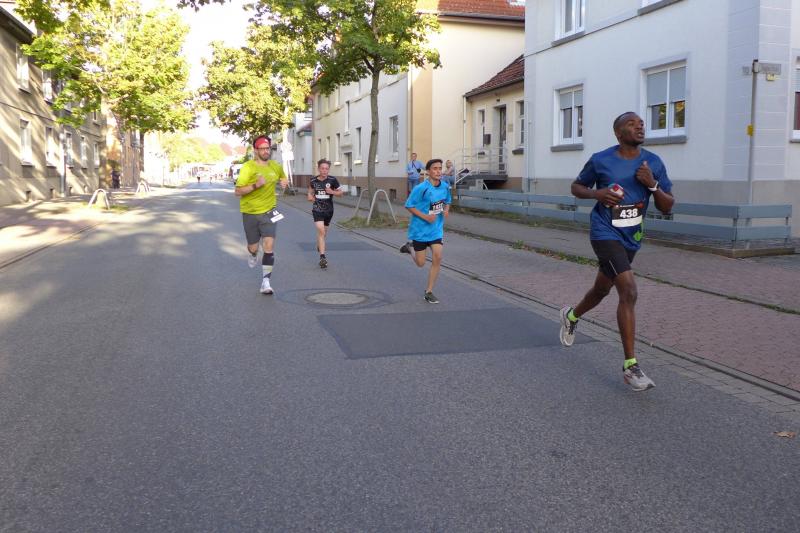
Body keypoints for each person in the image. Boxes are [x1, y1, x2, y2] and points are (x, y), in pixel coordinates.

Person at [559, 112, 674, 391]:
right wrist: (597, 194)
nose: (640, 126)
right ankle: (630, 366)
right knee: (629, 291)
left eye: (641, 123)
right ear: (618, 133)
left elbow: (667, 206)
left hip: (631, 237)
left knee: (602, 290)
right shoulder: (601, 159)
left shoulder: (653, 163)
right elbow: (576, 187)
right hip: (604, 232)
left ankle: (571, 316)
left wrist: (653, 185)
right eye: (632, 124)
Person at [235, 136, 289, 295]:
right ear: (256, 150)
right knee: (253, 247)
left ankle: (266, 282)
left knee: (269, 246)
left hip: (269, 212)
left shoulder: (275, 166)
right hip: (250, 212)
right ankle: (253, 253)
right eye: (263, 149)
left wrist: (284, 182)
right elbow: (238, 191)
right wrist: (255, 185)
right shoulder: (248, 167)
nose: (266, 151)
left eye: (268, 148)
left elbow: (283, 177)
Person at [399, 158, 452, 304]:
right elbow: (409, 205)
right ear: (428, 171)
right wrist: (425, 217)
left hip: (436, 230)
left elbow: (448, 201)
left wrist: (446, 210)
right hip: (420, 230)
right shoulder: (420, 188)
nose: (438, 171)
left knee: (438, 256)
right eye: (435, 168)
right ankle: (409, 248)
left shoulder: (445, 187)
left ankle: (428, 292)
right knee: (421, 263)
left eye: (440, 168)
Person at [307, 158, 343, 268]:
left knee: (323, 233)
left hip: (329, 210)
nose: (324, 171)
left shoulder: (333, 180)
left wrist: (332, 192)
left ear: (328, 170)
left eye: (326, 169)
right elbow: (310, 192)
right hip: (317, 209)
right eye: (322, 168)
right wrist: (310, 197)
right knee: (321, 231)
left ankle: (320, 244)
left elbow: (341, 193)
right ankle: (322, 257)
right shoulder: (313, 180)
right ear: (318, 169)